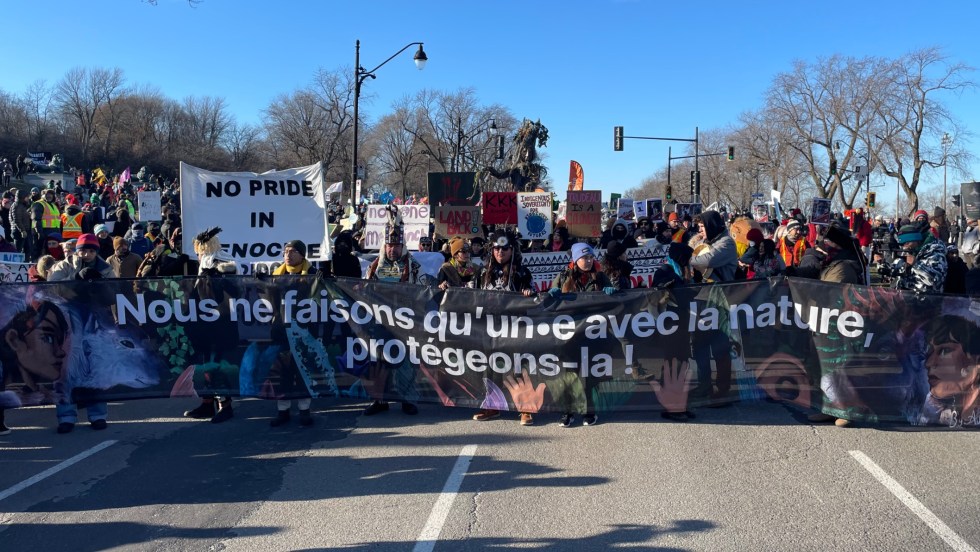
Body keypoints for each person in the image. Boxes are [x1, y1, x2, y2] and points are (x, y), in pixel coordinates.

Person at [45, 234, 112, 433]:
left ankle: (98, 414)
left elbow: (115, 295)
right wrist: (75, 278)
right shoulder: (63, 265)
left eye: (91, 250)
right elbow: (51, 287)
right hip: (67, 322)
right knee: (65, 369)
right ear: (77, 250)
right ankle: (66, 416)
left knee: (95, 369)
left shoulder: (105, 268)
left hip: (94, 322)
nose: (87, 254)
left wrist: (101, 285)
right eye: (83, 250)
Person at [468, 231, 537, 425]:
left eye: (504, 248)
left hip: (515, 327)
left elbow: (535, 296)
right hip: (490, 327)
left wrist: (528, 292)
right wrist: (446, 287)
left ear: (512, 249)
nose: (500, 252)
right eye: (496, 248)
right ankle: (492, 405)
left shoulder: (522, 272)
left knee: (518, 366)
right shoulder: (482, 271)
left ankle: (525, 408)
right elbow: (467, 292)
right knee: (490, 367)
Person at [549, 242, 614, 427]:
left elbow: (613, 301)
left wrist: (610, 292)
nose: (588, 261)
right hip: (570, 334)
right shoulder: (563, 277)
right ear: (575, 259)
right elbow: (551, 302)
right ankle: (567, 412)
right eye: (584, 258)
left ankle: (589, 410)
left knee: (589, 375)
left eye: (590, 257)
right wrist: (552, 292)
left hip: (593, 333)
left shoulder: (600, 277)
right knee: (569, 374)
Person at [363, 216, 421, 416]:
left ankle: (407, 399)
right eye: (389, 245)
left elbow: (424, 290)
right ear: (384, 245)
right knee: (379, 361)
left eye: (396, 245)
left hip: (405, 322)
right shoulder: (374, 267)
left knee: (405, 362)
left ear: (403, 246)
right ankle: (379, 399)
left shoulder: (412, 266)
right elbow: (363, 290)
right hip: (380, 322)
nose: (393, 250)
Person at [689, 211, 738, 402]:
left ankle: (722, 389)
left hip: (720, 300)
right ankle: (704, 385)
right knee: (699, 345)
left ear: (712, 225)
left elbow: (705, 261)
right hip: (702, 300)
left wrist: (687, 258)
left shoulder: (726, 243)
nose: (700, 231)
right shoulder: (706, 242)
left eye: (702, 227)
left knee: (720, 347)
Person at [268, 241, 315, 427]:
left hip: (303, 330)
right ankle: (283, 410)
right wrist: (259, 280)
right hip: (281, 330)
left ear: (302, 255)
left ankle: (304, 409)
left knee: (302, 370)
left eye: (293, 251)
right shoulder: (277, 275)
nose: (288, 255)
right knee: (282, 372)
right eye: (286, 251)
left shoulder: (311, 275)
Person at [918, 315, 980, 427]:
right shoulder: (932, 407)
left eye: (945, 351)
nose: (929, 363)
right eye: (930, 351)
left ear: (976, 361)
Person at [894, 224, 947, 294]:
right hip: (906, 297)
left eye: (907, 243)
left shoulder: (935, 252)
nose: (904, 247)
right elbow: (897, 270)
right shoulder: (909, 250)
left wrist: (916, 264)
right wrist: (883, 264)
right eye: (902, 244)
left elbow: (934, 279)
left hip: (929, 299)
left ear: (915, 239)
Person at [31, 188, 61, 261]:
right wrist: (39, 232)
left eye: (51, 194)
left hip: (54, 231)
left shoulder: (53, 205)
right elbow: (36, 219)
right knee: (40, 250)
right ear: (42, 195)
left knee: (51, 251)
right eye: (47, 194)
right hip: (43, 230)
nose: (49, 196)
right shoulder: (39, 204)